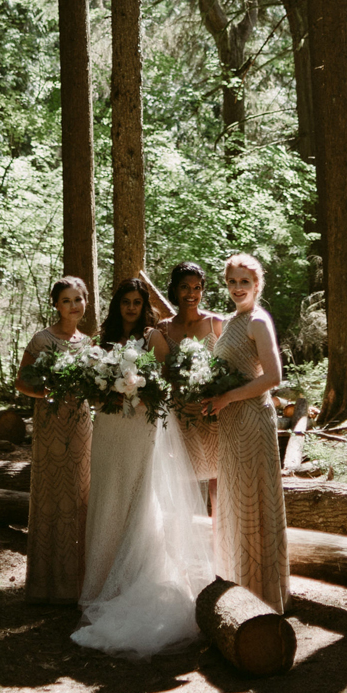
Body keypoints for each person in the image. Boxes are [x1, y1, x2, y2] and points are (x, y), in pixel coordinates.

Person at [70, 276, 211, 656]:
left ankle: (134, 578)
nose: (131, 307)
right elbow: (90, 385)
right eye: (126, 302)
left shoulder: (152, 337)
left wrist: (139, 390)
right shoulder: (105, 340)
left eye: (137, 302)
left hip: (140, 427)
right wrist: (107, 390)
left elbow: (165, 381)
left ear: (144, 305)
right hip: (110, 426)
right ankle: (100, 584)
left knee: (137, 496)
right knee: (106, 496)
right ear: (117, 305)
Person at [197, 253, 287, 610]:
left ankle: (263, 594)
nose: (237, 288)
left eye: (244, 282)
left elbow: (273, 377)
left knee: (254, 500)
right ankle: (238, 585)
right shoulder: (233, 321)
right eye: (232, 281)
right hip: (231, 423)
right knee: (234, 501)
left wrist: (228, 397)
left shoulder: (258, 322)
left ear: (257, 285)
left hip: (251, 419)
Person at [17, 276, 92, 604]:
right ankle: (46, 585)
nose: (74, 306)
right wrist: (43, 391)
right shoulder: (41, 339)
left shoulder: (88, 343)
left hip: (80, 424)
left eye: (79, 299)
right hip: (50, 422)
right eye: (66, 300)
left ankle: (76, 583)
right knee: (51, 491)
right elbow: (21, 382)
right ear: (55, 305)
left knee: (79, 492)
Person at [156, 261, 225, 491]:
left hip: (211, 410)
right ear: (174, 289)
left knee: (217, 477)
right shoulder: (164, 328)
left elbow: (227, 366)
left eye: (197, 288)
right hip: (180, 413)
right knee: (182, 480)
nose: (191, 293)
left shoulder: (215, 323)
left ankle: (219, 528)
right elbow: (162, 374)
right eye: (185, 287)